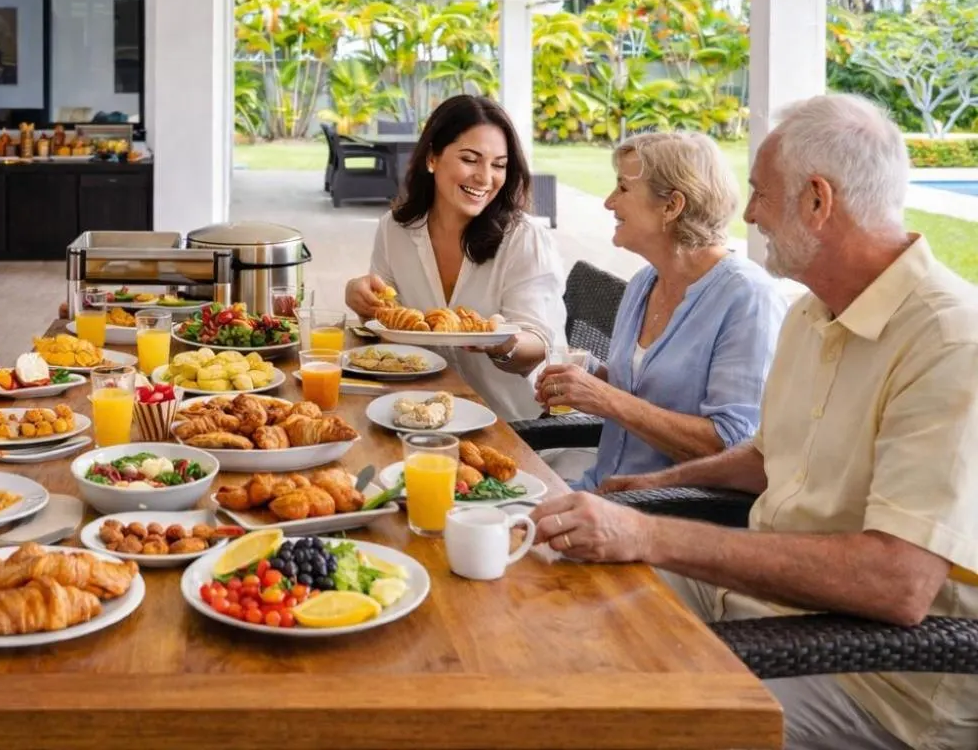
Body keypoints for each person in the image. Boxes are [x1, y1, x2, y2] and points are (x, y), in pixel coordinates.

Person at [530, 94, 978, 750]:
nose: (747, 215)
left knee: (621, 719)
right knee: (554, 589)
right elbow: (767, 457)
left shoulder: (949, 341)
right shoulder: (814, 311)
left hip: (879, 678)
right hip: (759, 603)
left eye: (760, 194)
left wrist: (651, 535)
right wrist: (647, 492)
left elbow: (898, 582)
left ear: (817, 201)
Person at [535, 132, 786, 488]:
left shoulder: (748, 299)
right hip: (598, 493)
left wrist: (606, 399)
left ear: (671, 206)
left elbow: (733, 445)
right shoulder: (644, 282)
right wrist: (587, 376)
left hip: (665, 517)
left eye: (622, 188)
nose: (608, 202)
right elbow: (642, 388)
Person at [344, 94, 565, 421]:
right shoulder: (394, 230)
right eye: (470, 159)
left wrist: (499, 342)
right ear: (432, 157)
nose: (485, 177)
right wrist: (359, 296)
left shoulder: (523, 239)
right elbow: (385, 323)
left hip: (511, 423)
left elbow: (540, 345)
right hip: (418, 412)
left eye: (499, 165)